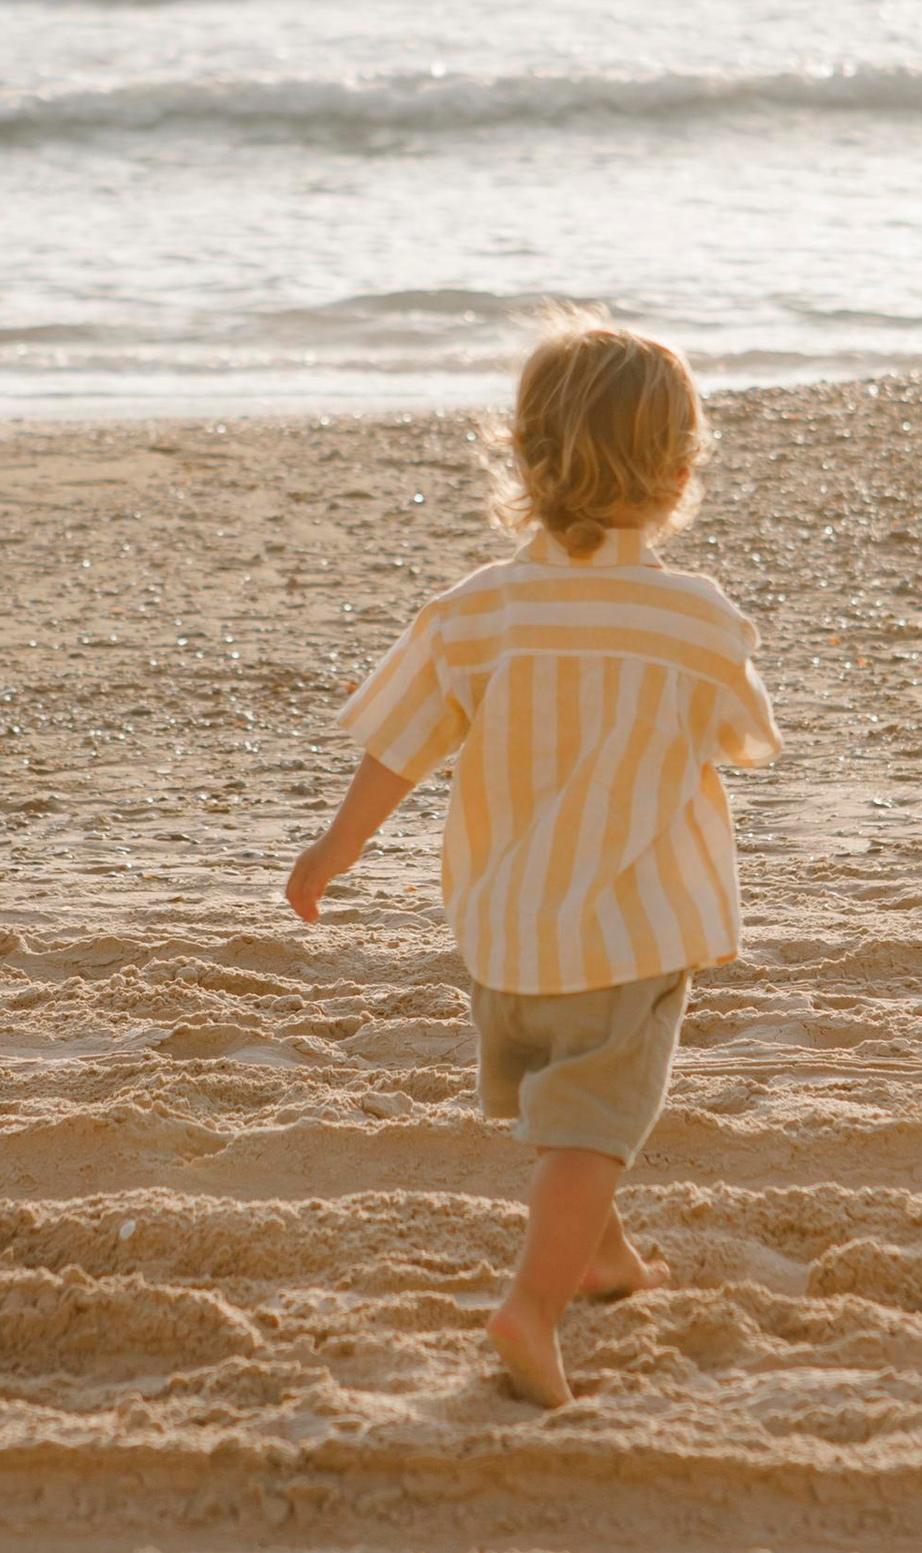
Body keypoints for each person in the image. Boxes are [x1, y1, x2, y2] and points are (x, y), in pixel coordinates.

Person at [284, 319, 780, 1409]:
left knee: (562, 1106)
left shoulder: (478, 611)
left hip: (504, 930)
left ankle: (603, 1259)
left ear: (520, 457)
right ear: (681, 471)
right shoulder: (695, 622)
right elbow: (745, 737)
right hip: (626, 928)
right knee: (594, 1128)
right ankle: (531, 1309)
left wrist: (334, 852)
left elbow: (398, 746)